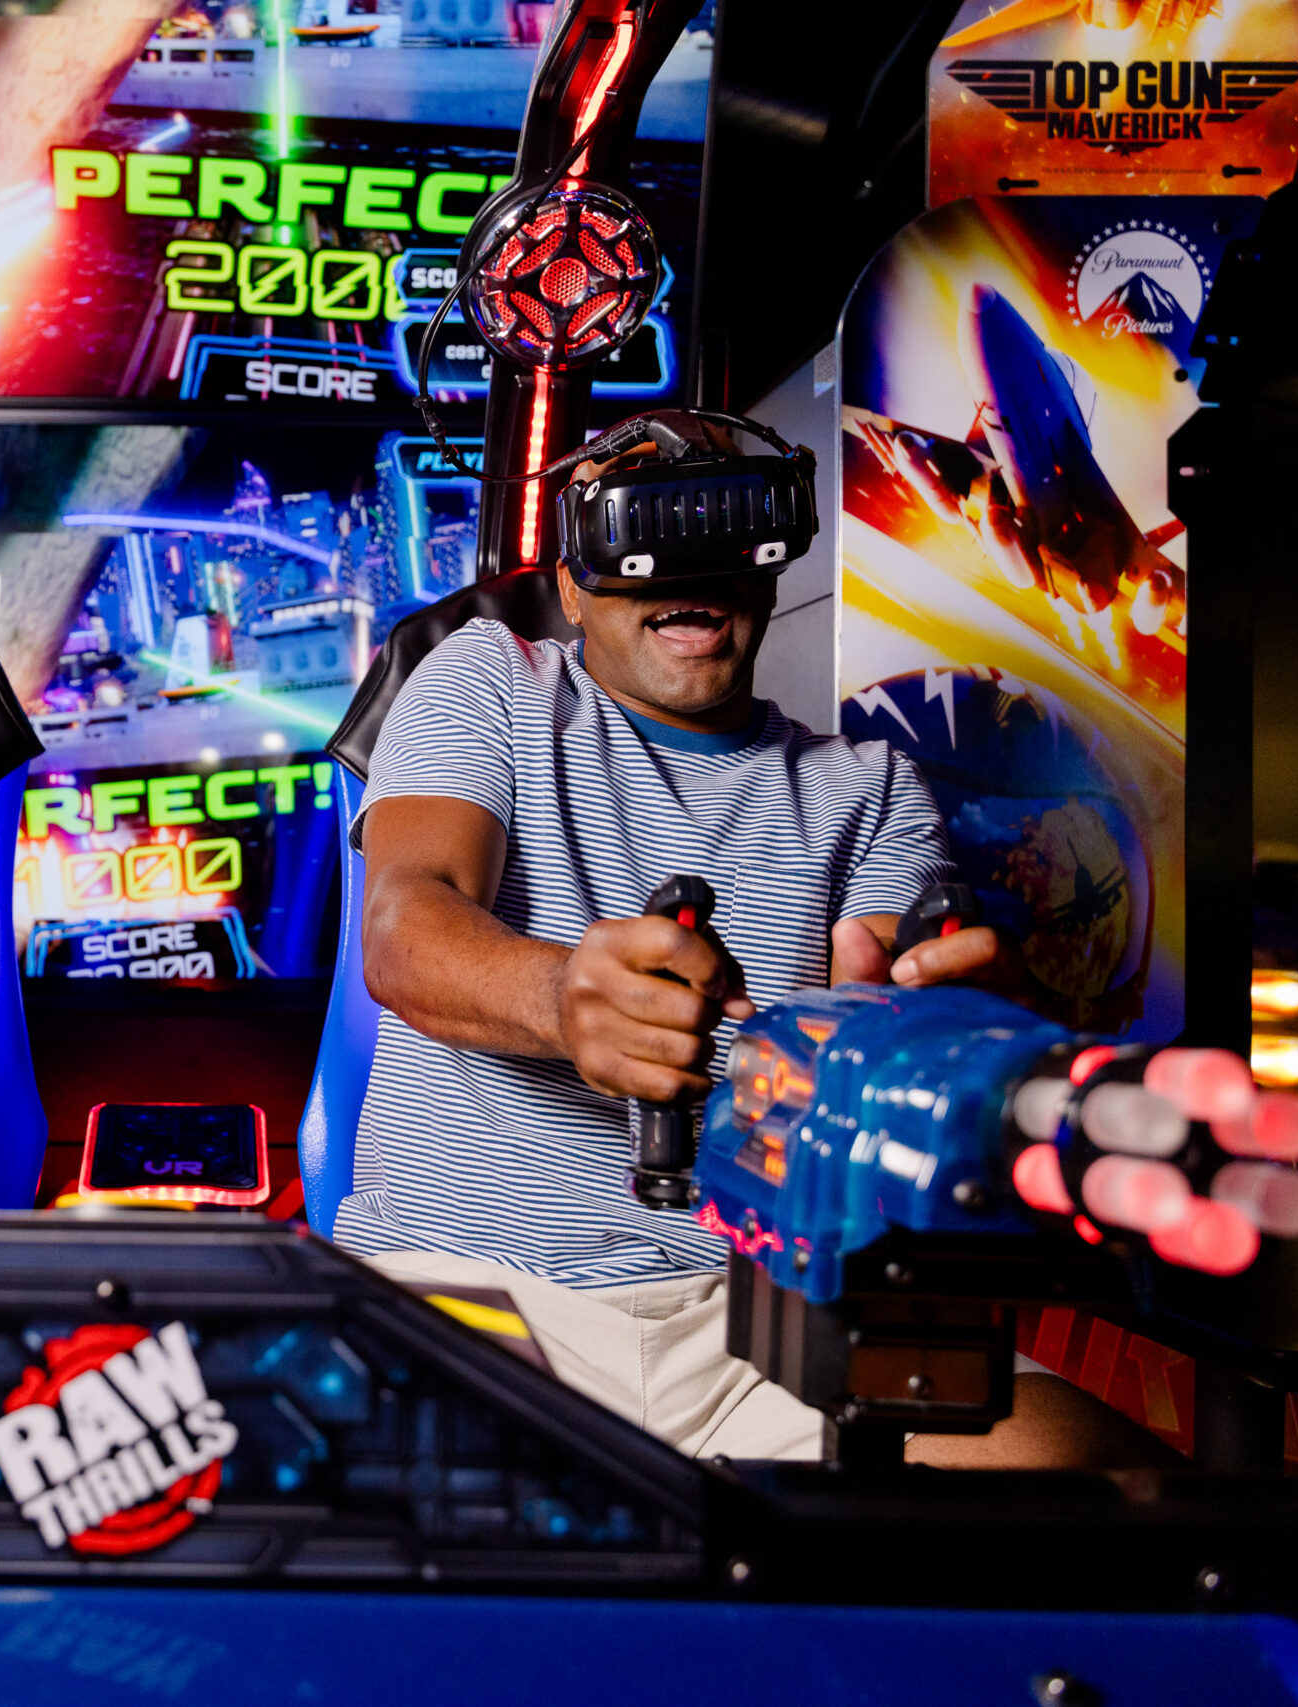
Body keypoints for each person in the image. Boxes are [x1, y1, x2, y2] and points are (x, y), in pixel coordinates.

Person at [346, 442, 1167, 1467]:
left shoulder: (868, 786)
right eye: (647, 537)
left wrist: (947, 1041)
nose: (688, 574)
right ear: (572, 587)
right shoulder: (492, 680)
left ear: (772, 570)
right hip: (477, 1296)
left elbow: (884, 1011)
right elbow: (405, 925)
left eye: (722, 532)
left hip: (768, 1314)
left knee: (1103, 1485)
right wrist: (562, 999)